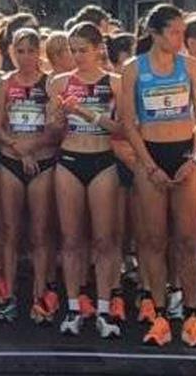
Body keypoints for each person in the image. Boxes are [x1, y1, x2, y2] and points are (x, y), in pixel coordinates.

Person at [117, 3, 196, 347]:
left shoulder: (191, 65)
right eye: (173, 32)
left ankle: (191, 314)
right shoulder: (133, 69)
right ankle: (157, 313)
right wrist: (149, 165)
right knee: (153, 241)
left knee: (187, 240)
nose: (180, 38)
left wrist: (195, 158)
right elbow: (127, 123)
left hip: (185, 154)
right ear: (154, 34)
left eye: (182, 32)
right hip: (150, 156)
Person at [50, 21, 124, 340]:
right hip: (69, 159)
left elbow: (121, 129)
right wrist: (59, 117)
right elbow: (53, 130)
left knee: (104, 239)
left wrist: (84, 112)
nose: (78, 56)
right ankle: (72, 306)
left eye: (83, 50)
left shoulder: (115, 82)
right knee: (70, 238)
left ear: (98, 49)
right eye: (73, 50)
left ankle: (105, 307)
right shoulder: (59, 82)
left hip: (103, 160)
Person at [0, 26, 58, 325]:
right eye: (20, 51)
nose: (25, 57)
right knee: (9, 231)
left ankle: (40, 293)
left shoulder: (50, 83)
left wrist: (33, 148)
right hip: (11, 160)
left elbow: (56, 128)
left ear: (39, 53)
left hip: (42, 161)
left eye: (31, 51)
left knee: (40, 232)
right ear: (11, 52)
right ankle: (8, 297)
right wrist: (20, 150)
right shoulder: (4, 82)